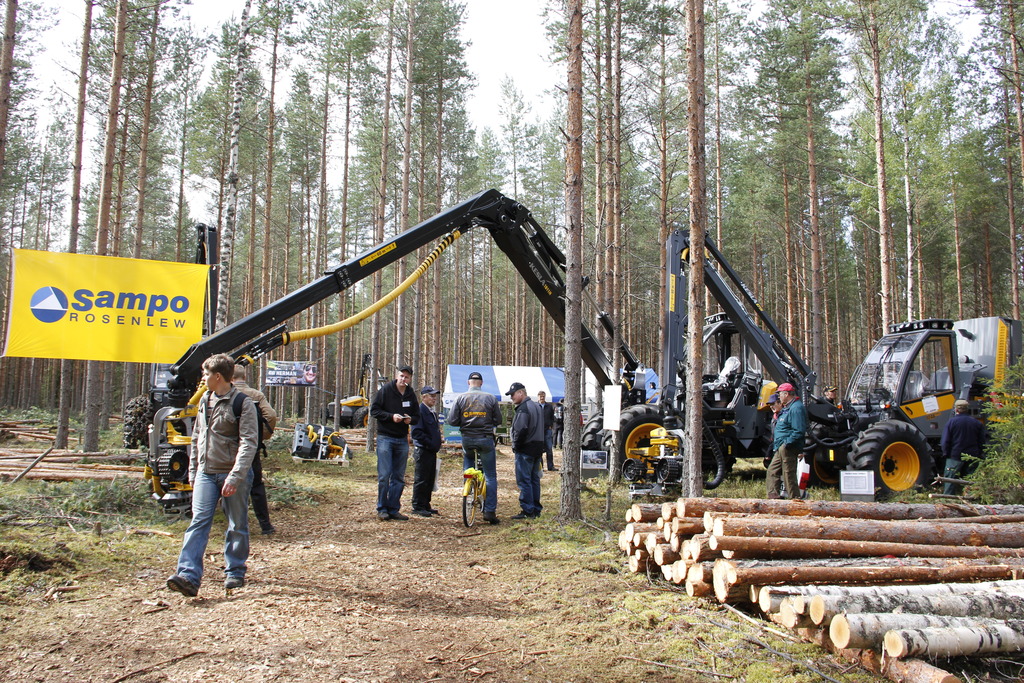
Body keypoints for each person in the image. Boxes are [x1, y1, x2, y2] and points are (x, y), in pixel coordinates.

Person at [167, 353, 258, 596]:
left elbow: (248, 443)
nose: (203, 378)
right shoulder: (204, 400)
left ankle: (235, 571)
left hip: (232, 474)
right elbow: (197, 437)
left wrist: (235, 477)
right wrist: (193, 471)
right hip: (205, 474)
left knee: (237, 524)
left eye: (206, 374)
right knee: (198, 522)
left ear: (218, 376)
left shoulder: (243, 403)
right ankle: (188, 575)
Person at [447, 370, 503, 524]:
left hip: (467, 439)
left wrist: (464, 423)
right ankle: (490, 511)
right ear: (481, 383)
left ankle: (469, 490)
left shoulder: (460, 398)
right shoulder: (490, 398)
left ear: (468, 383)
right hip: (485, 438)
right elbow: (498, 420)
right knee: (490, 476)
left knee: (468, 466)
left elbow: (452, 421)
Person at [232, 364, 279, 535]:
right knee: (256, 484)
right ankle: (265, 525)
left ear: (230, 377)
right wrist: (261, 436)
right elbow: (271, 415)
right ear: (244, 377)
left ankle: (234, 524)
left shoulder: (225, 394)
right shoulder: (255, 395)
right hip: (251, 447)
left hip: (228, 448)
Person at [369, 365, 419, 521]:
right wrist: (391, 417)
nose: (403, 379)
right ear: (397, 376)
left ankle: (393, 508)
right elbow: (374, 411)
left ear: (410, 379)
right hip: (385, 438)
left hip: (402, 439)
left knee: (398, 477)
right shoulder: (386, 390)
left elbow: (417, 416)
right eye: (401, 376)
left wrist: (410, 420)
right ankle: (382, 508)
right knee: (384, 475)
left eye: (406, 377)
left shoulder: (410, 394)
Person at [507, 382, 546, 519]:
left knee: (524, 480)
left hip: (525, 449)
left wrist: (516, 445)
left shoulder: (523, 409)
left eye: (513, 394)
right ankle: (536, 509)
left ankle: (528, 510)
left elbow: (521, 429)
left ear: (521, 393)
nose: (511, 397)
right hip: (537, 448)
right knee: (534, 479)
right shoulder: (537, 406)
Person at [766, 382, 807, 500]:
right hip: (781, 446)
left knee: (788, 474)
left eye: (780, 394)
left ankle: (795, 500)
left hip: (788, 447)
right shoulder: (788, 408)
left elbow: (798, 430)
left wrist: (787, 443)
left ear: (786, 394)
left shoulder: (796, 408)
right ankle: (773, 498)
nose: (779, 396)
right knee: (772, 471)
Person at [940, 399, 986, 496]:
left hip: (955, 456)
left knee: (950, 479)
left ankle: (948, 499)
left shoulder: (951, 422)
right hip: (972, 456)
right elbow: (982, 441)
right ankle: (970, 498)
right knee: (971, 480)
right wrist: (979, 454)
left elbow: (945, 441)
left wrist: (946, 454)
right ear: (967, 409)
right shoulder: (977, 423)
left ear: (956, 409)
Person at [411, 385, 443, 516]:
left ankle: (425, 504)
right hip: (423, 450)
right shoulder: (420, 411)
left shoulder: (431, 412)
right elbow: (416, 433)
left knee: (430, 479)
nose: (434, 398)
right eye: (431, 396)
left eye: (435, 396)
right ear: (424, 397)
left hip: (431, 451)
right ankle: (418, 506)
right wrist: (430, 443)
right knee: (421, 478)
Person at [538, 390, 556, 471]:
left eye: (543, 396)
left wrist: (551, 425)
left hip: (547, 430)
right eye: (540, 396)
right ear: (538, 397)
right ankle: (540, 467)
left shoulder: (549, 406)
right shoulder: (536, 406)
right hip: (538, 431)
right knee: (539, 449)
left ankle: (550, 466)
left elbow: (552, 417)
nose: (542, 398)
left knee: (549, 448)